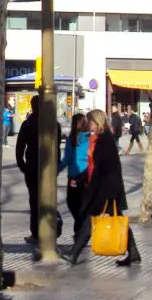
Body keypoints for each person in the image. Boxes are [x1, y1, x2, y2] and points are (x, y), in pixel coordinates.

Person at [66, 109, 141, 267]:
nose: (87, 124)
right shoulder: (100, 138)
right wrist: (80, 179)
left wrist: (83, 182)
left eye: (89, 121)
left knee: (90, 220)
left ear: (96, 122)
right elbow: (94, 166)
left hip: (105, 189)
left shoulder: (104, 140)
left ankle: (73, 254)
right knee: (116, 217)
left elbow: (100, 167)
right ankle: (133, 252)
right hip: (106, 187)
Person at [15, 95, 62, 245]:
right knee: (48, 199)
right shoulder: (54, 124)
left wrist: (22, 166)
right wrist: (57, 166)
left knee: (34, 200)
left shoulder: (28, 124)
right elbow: (57, 149)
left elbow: (20, 147)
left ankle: (36, 233)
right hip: (49, 167)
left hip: (32, 168)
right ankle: (50, 229)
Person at [58, 113, 89, 237]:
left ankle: (80, 228)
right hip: (86, 174)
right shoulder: (89, 138)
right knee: (82, 203)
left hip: (74, 175)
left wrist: (56, 170)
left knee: (72, 202)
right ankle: (81, 228)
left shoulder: (72, 139)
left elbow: (67, 159)